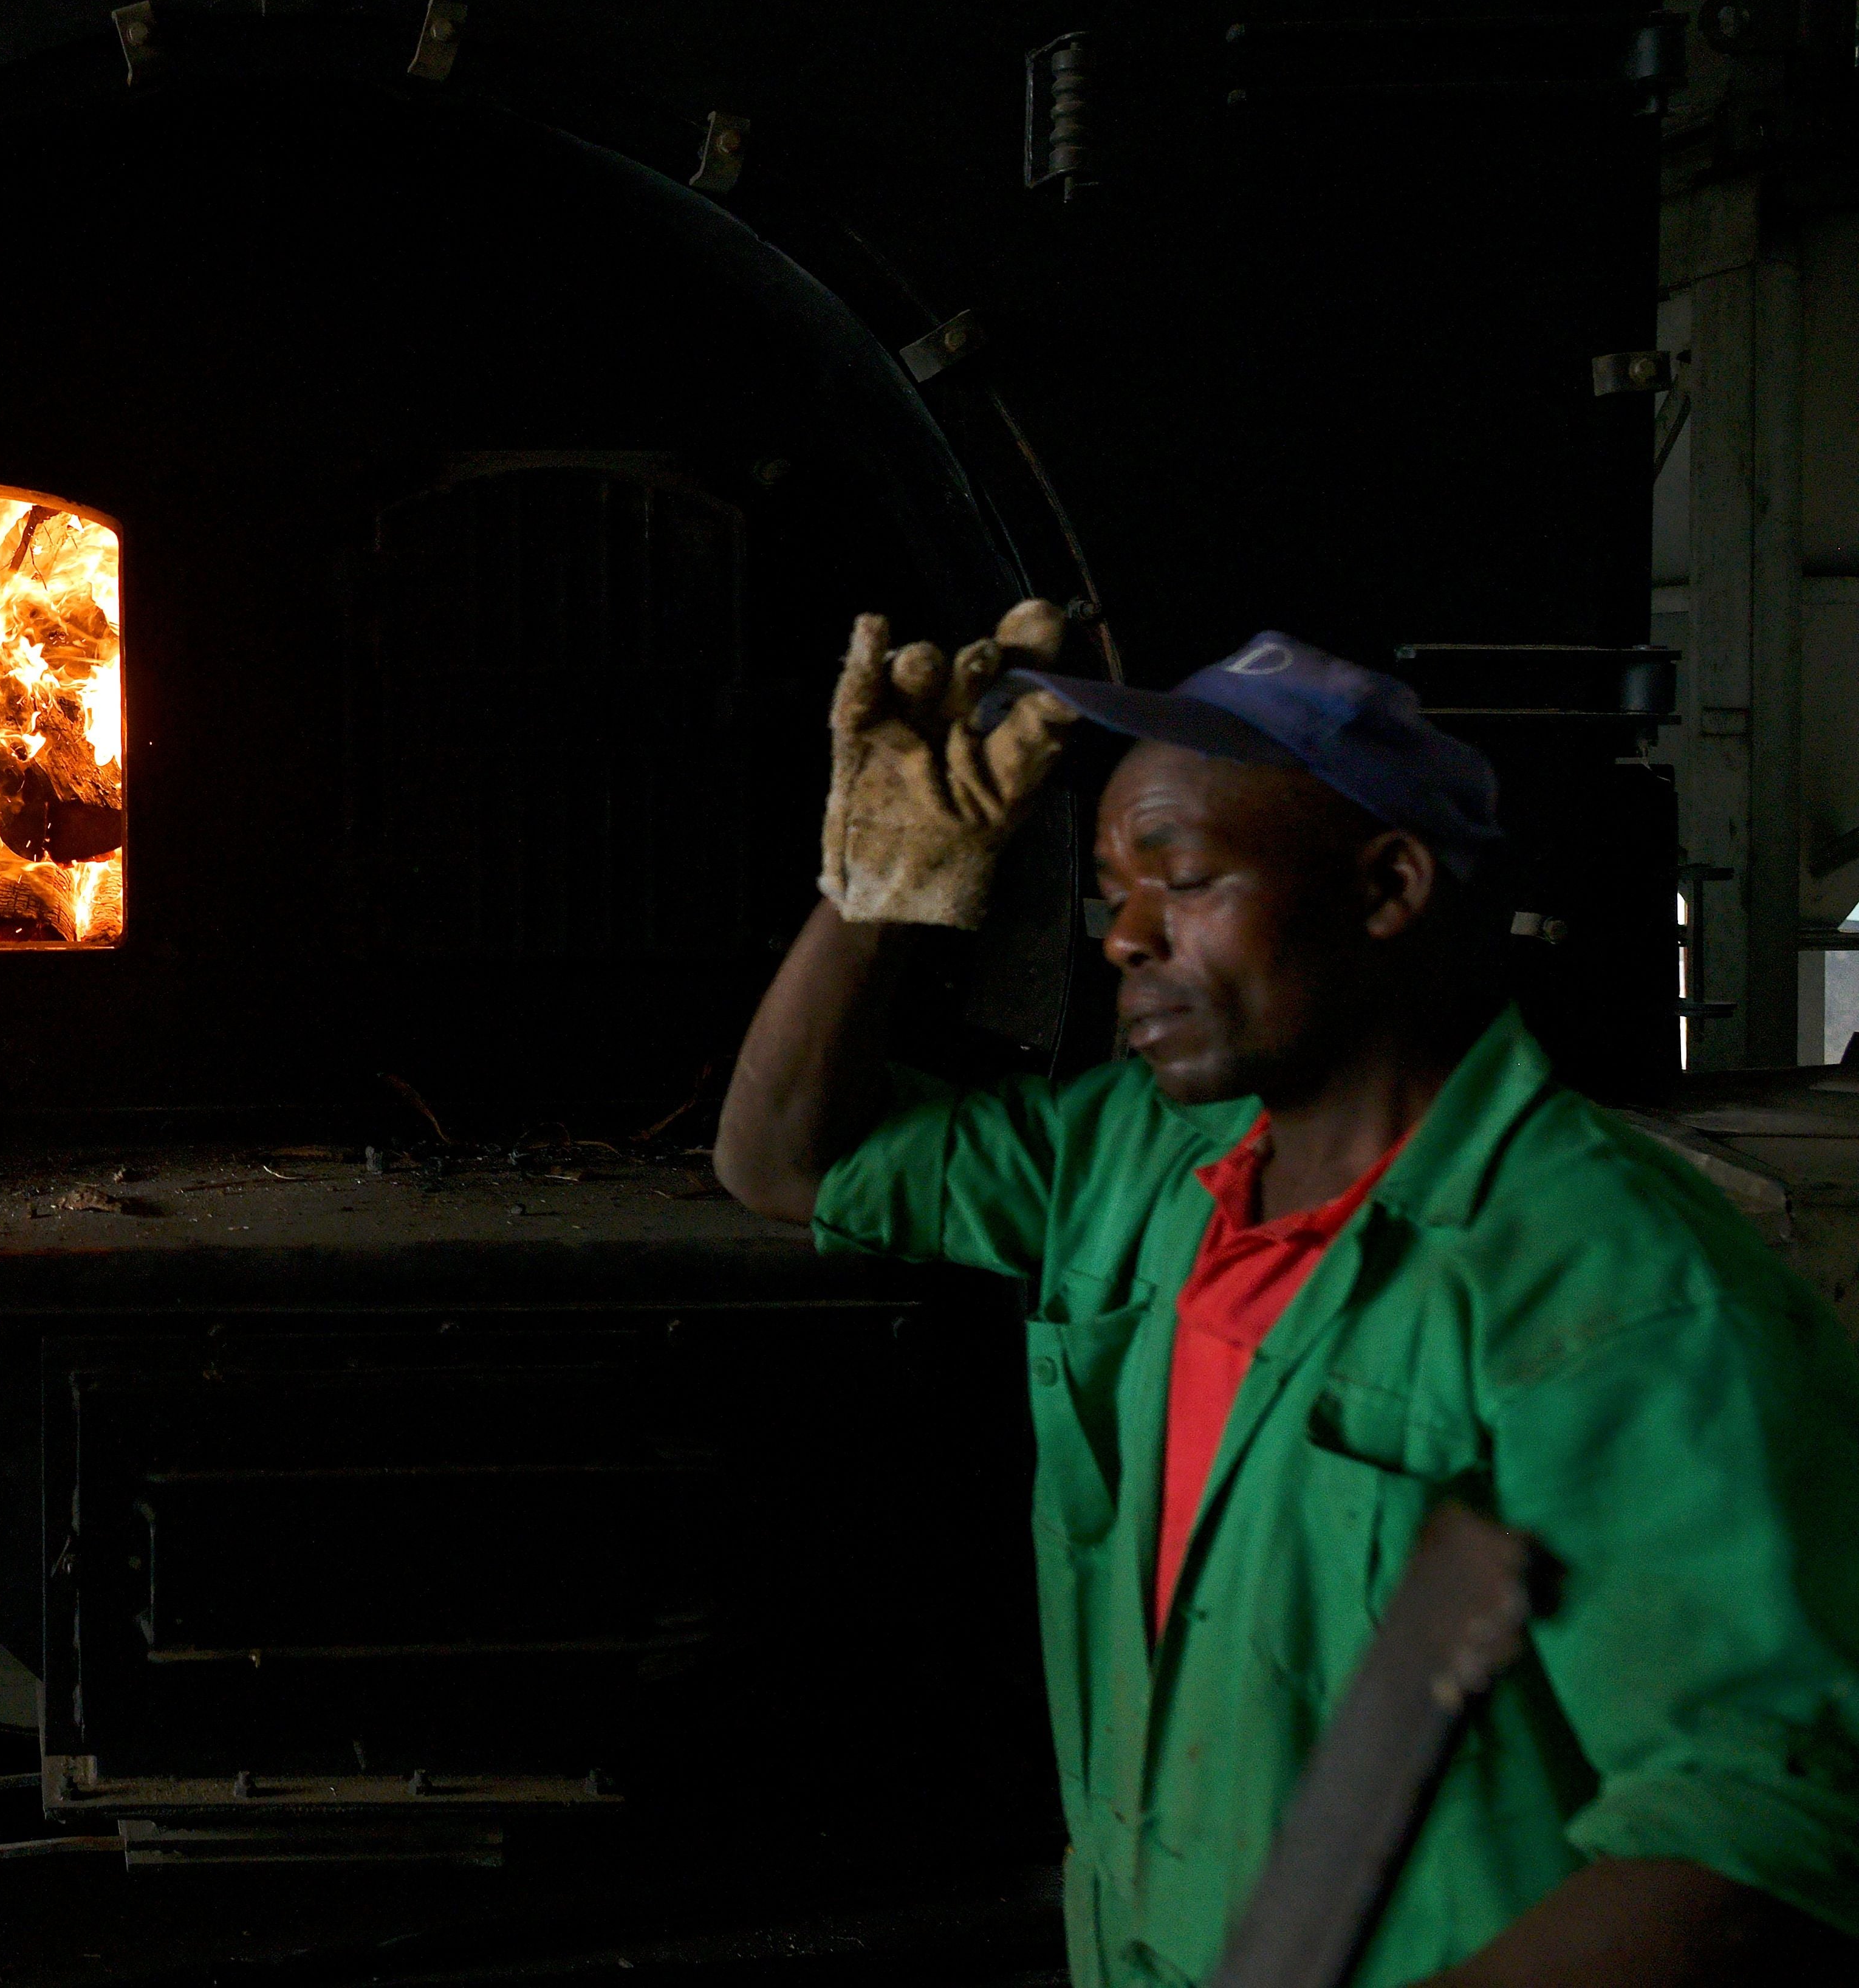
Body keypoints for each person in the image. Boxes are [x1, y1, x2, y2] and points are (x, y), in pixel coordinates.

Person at [714, 607, 1859, 1988]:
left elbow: (1758, 1828)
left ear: (1385, 888)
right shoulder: (1135, 1163)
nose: (1124, 937)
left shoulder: (1620, 1296)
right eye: (1109, 889)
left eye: (1181, 877)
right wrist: (873, 894)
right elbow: (785, 1156)